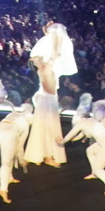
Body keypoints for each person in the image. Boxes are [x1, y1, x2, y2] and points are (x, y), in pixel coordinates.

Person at [25, 18, 76, 168]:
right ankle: (47, 155)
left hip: (47, 100)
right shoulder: (46, 68)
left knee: (44, 128)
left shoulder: (47, 67)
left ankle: (43, 155)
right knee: (48, 129)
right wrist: (55, 34)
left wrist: (49, 33)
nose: (37, 60)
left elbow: (54, 54)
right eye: (35, 60)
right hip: (47, 101)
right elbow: (56, 53)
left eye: (37, 58)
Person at [56, 93, 105, 196]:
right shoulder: (90, 120)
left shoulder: (80, 124)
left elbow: (71, 134)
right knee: (90, 151)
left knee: (100, 168)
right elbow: (81, 135)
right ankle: (94, 173)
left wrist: (62, 141)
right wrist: (74, 138)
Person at [0, 101, 33, 204]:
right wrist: (22, 161)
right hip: (8, 135)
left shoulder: (13, 114)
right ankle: (3, 189)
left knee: (9, 154)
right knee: (6, 162)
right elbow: (20, 146)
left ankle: (9, 177)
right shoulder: (26, 124)